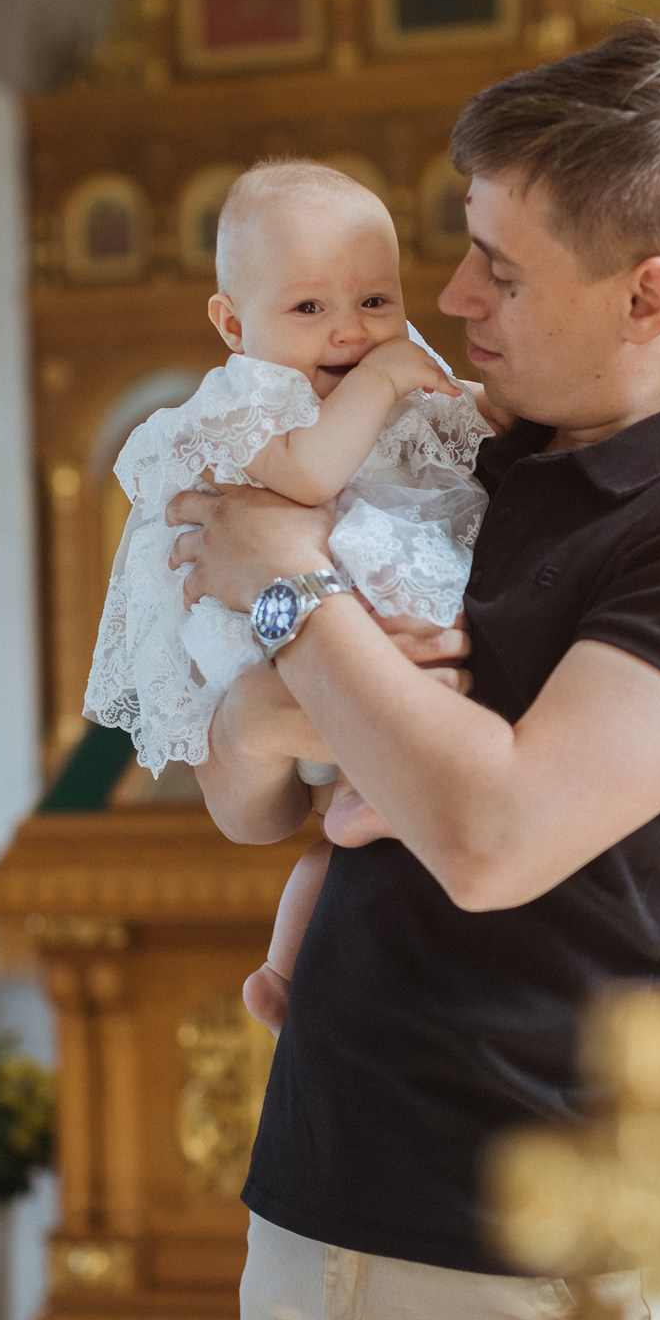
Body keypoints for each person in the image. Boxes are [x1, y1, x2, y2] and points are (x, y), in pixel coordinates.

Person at [168, 18, 660, 1320]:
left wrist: (285, 584)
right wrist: (274, 704)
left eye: (501, 269)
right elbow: (246, 795)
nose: (455, 298)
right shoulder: (465, 457)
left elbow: (491, 836)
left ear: (647, 298)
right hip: (324, 1179)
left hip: (539, 1234)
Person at [83, 159, 493, 1030]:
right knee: (344, 815)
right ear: (233, 324)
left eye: (375, 302)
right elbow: (307, 477)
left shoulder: (371, 375)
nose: (349, 331)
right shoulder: (244, 404)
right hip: (268, 643)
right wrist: (387, 380)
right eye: (309, 308)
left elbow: (465, 427)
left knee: (350, 837)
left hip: (356, 636)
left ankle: (280, 974)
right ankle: (287, 954)